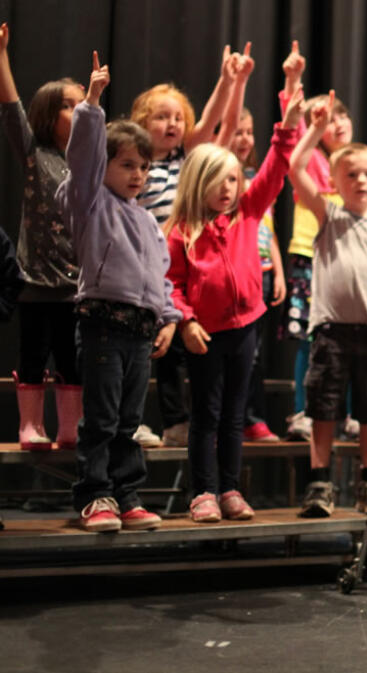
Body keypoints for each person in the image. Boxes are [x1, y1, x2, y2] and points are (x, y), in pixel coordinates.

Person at [164, 77, 297, 523]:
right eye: (217, 181)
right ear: (198, 182)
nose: (227, 188)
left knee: (234, 415)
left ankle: (230, 489)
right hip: (205, 334)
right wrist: (185, 321)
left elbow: (277, 166)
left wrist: (288, 122)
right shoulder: (182, 231)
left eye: (233, 180)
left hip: (245, 329)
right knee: (206, 414)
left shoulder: (248, 213)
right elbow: (173, 283)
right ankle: (202, 491)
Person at [57, 53, 180, 532]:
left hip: (139, 330)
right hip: (104, 326)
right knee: (103, 418)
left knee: (129, 419)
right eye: (127, 165)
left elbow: (160, 274)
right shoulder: (90, 202)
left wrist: (168, 316)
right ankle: (95, 495)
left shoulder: (147, 219)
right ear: (104, 166)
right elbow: (83, 159)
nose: (137, 175)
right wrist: (91, 103)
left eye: (144, 168)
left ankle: (127, 494)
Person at [290, 91, 367, 518]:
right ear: (335, 182)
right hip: (330, 331)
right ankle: (319, 483)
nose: (360, 181)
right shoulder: (329, 215)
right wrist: (316, 130)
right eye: (351, 174)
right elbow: (294, 167)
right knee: (324, 407)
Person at [133, 47, 250, 447]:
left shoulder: (187, 156)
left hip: (181, 265)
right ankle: (147, 419)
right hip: (142, 268)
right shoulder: (137, 162)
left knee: (179, 340)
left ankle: (182, 420)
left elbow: (224, 123)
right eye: (161, 116)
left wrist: (229, 81)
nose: (172, 124)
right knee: (153, 347)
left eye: (178, 117)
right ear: (141, 123)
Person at [0, 22, 85, 450]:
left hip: (77, 287)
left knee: (73, 361)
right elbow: (12, 108)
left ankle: (70, 428)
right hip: (36, 282)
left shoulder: (93, 165)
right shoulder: (37, 154)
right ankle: (30, 425)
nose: (81, 112)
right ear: (51, 116)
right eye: (73, 106)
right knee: (33, 356)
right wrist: (1, 57)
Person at [229, 107, 287, 443]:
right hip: (235, 272)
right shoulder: (221, 176)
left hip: (263, 271)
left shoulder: (255, 176)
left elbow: (269, 230)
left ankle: (252, 418)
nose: (245, 138)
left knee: (255, 354)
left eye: (249, 131)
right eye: (238, 131)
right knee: (234, 353)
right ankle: (230, 419)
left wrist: (278, 272)